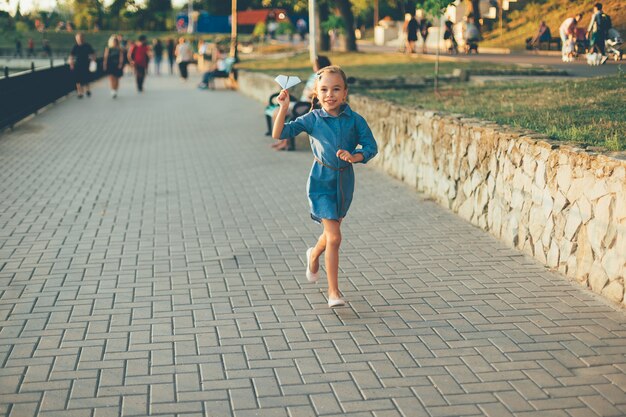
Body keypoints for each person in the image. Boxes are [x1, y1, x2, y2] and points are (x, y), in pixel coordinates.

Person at [272, 65, 378, 308]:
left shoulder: (355, 120)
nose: (330, 94)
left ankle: (312, 255)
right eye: (324, 90)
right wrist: (283, 108)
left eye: (336, 89)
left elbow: (371, 147)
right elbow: (280, 133)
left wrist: (355, 157)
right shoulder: (312, 119)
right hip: (321, 182)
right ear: (316, 94)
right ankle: (333, 292)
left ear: (345, 93)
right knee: (335, 237)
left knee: (331, 236)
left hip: (344, 182)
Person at [265, 55, 332, 151]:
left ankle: (286, 142)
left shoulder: (322, 77)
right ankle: (283, 141)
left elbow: (317, 93)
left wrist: (312, 92)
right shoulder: (314, 75)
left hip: (306, 105)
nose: (313, 66)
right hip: (300, 102)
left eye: (315, 64)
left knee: (277, 112)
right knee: (278, 111)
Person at [69, 32, 96, 98]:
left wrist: (93, 61)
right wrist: (71, 64)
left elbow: (93, 54)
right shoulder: (75, 46)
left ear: (83, 38)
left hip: (86, 64)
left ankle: (87, 90)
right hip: (77, 65)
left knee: (86, 79)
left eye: (80, 38)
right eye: (78, 38)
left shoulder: (87, 45)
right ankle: (80, 93)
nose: (79, 39)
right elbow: (71, 56)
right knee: (77, 80)